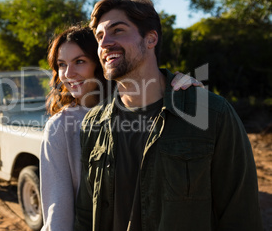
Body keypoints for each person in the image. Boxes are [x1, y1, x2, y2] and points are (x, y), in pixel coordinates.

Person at [73, 0, 263, 231]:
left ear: (151, 38)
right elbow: (85, 214)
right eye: (99, 36)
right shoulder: (93, 123)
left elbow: (240, 215)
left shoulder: (212, 113)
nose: (104, 44)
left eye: (118, 31)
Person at [39, 26, 203, 231]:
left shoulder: (138, 109)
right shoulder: (60, 127)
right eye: (61, 64)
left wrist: (179, 86)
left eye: (79, 61)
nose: (68, 73)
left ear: (101, 62)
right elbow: (58, 214)